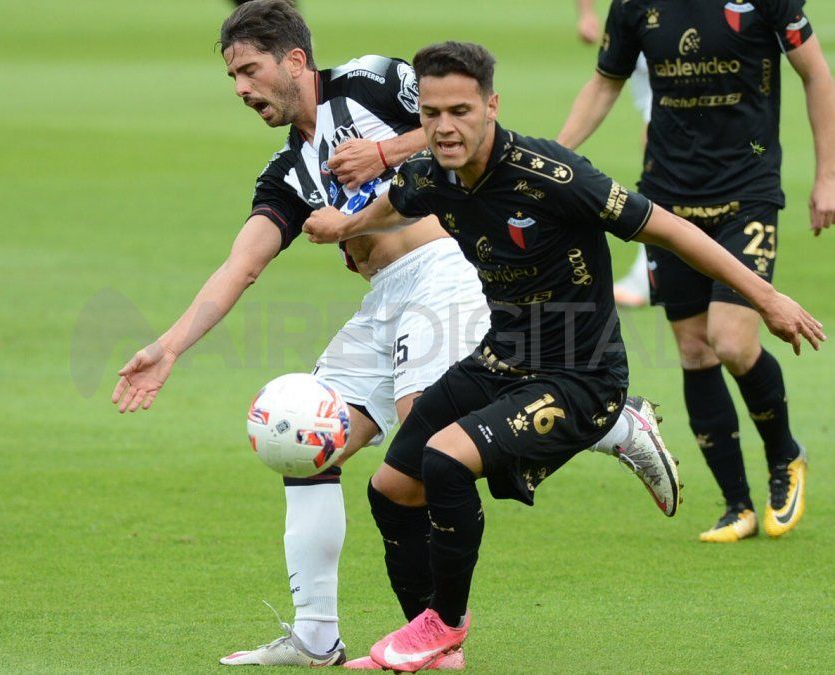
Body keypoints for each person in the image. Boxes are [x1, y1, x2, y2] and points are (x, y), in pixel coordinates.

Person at [303, 40, 824, 671]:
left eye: (461, 111)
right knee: (392, 488)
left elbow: (669, 228)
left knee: (445, 461)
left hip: (582, 377)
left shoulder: (554, 176)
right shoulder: (430, 173)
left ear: (491, 106)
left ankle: (446, 623)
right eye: (432, 113)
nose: (444, 128)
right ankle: (432, 647)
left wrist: (766, 298)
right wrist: (345, 227)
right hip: (501, 359)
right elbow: (399, 200)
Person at [113, 0, 487, 667]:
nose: (241, 89)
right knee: (306, 440)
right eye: (233, 77)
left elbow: (473, 128)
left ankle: (603, 419)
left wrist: (386, 151)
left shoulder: (371, 81)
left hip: (444, 273)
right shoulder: (287, 172)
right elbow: (241, 266)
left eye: (249, 71)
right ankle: (317, 636)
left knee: (425, 445)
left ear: (293, 60)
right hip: (384, 301)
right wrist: (167, 347)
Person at [557, 0, 834, 541]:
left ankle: (785, 456)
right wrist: (557, 158)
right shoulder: (634, 6)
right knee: (694, 350)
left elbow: (816, 73)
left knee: (731, 341)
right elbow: (605, 82)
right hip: (667, 198)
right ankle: (737, 506)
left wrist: (827, 176)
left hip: (746, 193)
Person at [575, 0, 651, 307]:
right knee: (660, 145)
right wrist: (586, 13)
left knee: (660, 142)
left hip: (680, 29)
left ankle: (648, 273)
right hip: (643, 27)